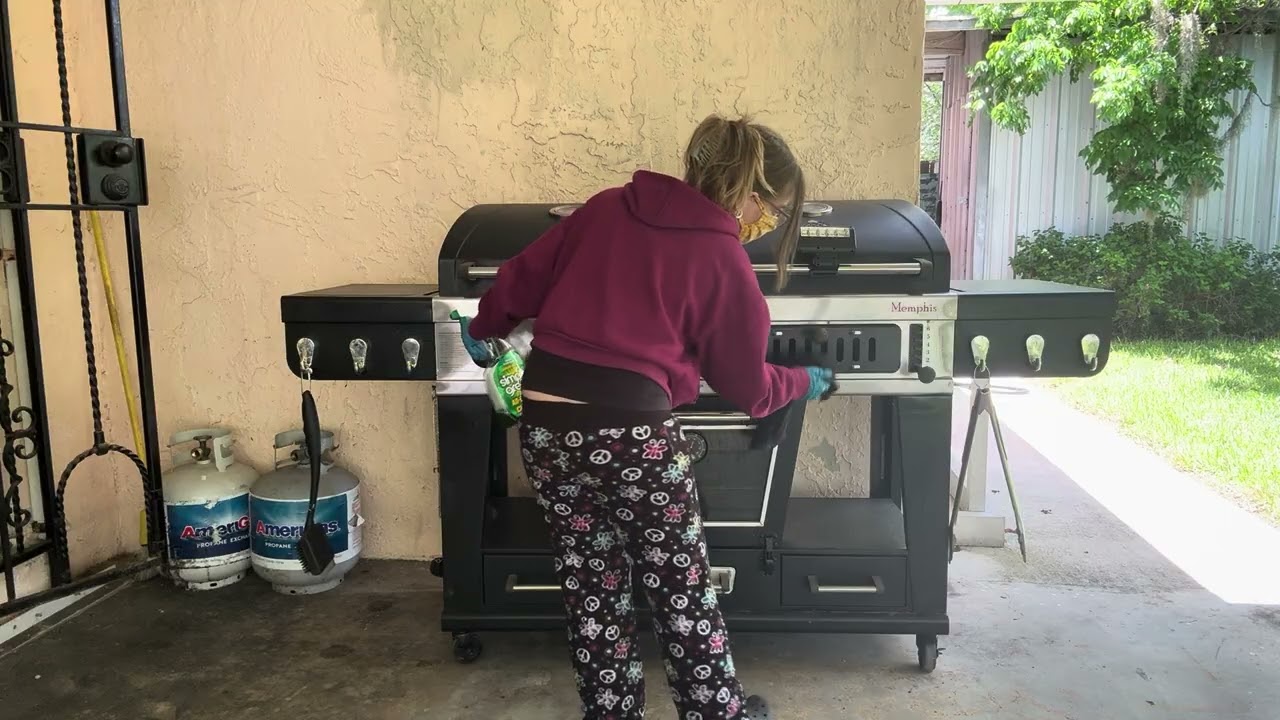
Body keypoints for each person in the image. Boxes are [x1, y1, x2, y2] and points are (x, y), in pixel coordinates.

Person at [459, 114, 833, 720]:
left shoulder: (607, 207)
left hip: (546, 427)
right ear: (745, 192)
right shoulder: (721, 258)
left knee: (593, 588)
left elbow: (520, 280)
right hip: (630, 436)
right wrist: (801, 383)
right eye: (772, 208)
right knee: (681, 590)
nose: (768, 223)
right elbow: (749, 388)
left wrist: (484, 328)